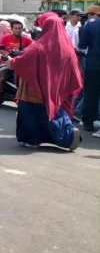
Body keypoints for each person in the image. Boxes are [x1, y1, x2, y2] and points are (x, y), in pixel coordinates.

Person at [6, 13, 82, 150]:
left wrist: (12, 62)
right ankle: (68, 136)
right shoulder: (67, 46)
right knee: (55, 112)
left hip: (35, 89)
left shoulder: (39, 45)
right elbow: (73, 68)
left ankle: (31, 140)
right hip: (58, 88)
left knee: (31, 115)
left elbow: (23, 61)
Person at [0, 21, 34, 108]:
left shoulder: (26, 39)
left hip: (21, 64)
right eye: (16, 28)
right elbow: (0, 49)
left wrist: (23, 52)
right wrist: (7, 55)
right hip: (7, 63)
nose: (18, 30)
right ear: (11, 29)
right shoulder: (5, 38)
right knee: (2, 79)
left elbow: (33, 50)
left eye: (20, 28)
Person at [79, 5, 100, 137]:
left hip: (93, 64)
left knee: (90, 94)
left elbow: (82, 45)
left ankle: (88, 122)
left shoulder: (90, 25)